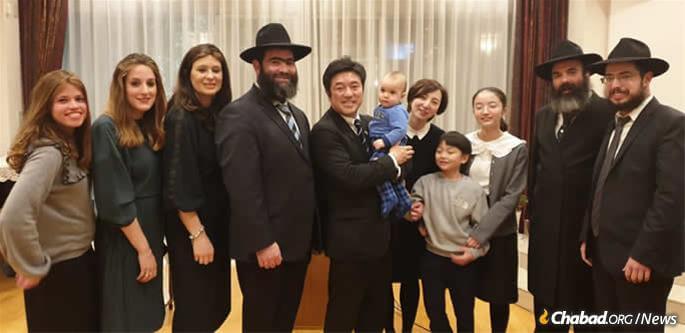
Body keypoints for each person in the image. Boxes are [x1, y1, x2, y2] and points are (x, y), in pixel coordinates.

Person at [215, 23, 317, 332]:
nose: (285, 69)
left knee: (285, 321)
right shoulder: (238, 114)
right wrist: (263, 242)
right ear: (256, 66)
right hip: (265, 248)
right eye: (276, 62)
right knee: (262, 323)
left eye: (289, 62)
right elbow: (242, 187)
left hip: (297, 245)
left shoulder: (298, 115)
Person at [580, 37, 684, 333]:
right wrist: (589, 233)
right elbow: (600, 183)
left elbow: (671, 197)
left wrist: (644, 254)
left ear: (647, 78)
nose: (615, 85)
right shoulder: (615, 123)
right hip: (604, 254)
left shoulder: (671, 123)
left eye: (625, 76)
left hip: (640, 263)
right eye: (609, 77)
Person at [310, 56, 414, 332]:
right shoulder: (324, 132)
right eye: (340, 87)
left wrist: (397, 164)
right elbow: (350, 177)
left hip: (380, 239)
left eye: (354, 86)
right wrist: (391, 162)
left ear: (363, 88)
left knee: (376, 312)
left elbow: (406, 158)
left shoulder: (371, 122)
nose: (348, 93)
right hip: (349, 243)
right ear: (329, 92)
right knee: (343, 313)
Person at [0, 70, 98, 332]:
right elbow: (13, 215)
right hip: (59, 272)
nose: (75, 105)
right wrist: (30, 265)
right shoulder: (49, 153)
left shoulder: (68, 145)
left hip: (77, 263)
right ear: (46, 106)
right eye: (63, 100)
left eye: (79, 98)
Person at [527, 40, 614, 333]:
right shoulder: (543, 116)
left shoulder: (607, 114)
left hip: (583, 240)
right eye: (557, 75)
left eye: (571, 72)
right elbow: (535, 169)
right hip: (546, 239)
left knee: (584, 318)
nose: (565, 80)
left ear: (585, 74)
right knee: (546, 320)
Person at [92, 53, 167, 331]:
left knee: (147, 317)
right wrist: (144, 249)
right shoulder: (106, 128)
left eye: (151, 83)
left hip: (149, 234)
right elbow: (116, 200)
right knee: (126, 318)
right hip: (126, 241)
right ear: (121, 87)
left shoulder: (150, 127)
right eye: (136, 83)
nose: (145, 91)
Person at [163, 43, 232, 332]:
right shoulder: (180, 115)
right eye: (202, 69)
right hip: (191, 228)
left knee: (215, 306)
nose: (210, 76)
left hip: (215, 223)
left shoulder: (219, 112)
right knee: (195, 309)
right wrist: (197, 234)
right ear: (187, 74)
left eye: (216, 70)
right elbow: (179, 181)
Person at [385, 79, 448, 333]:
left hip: (418, 222)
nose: (427, 105)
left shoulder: (440, 139)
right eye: (423, 97)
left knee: (412, 280)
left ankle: (408, 329)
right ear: (410, 98)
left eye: (435, 102)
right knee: (383, 281)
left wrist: (420, 207)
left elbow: (442, 181)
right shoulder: (388, 130)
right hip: (387, 218)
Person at [411, 131, 489, 333]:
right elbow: (411, 208)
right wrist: (414, 212)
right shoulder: (424, 182)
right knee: (434, 311)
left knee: (464, 313)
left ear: (464, 158)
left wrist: (474, 254)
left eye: (450, 152)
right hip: (432, 258)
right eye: (439, 151)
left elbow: (483, 229)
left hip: (462, 261)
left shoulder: (474, 189)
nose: (443, 155)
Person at [465, 87, 527, 333]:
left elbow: (512, 196)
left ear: (504, 109)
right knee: (464, 292)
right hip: (465, 226)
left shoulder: (516, 147)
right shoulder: (465, 142)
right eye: (479, 106)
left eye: (492, 105)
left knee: (498, 296)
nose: (485, 111)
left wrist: (481, 233)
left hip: (500, 231)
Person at [369, 71, 412, 218]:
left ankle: (389, 197)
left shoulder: (396, 111)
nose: (386, 95)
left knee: (376, 165)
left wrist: (385, 141)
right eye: (383, 90)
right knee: (389, 170)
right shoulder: (382, 108)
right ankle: (404, 199)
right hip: (381, 140)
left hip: (387, 142)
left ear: (402, 95)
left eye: (392, 92)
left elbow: (401, 130)